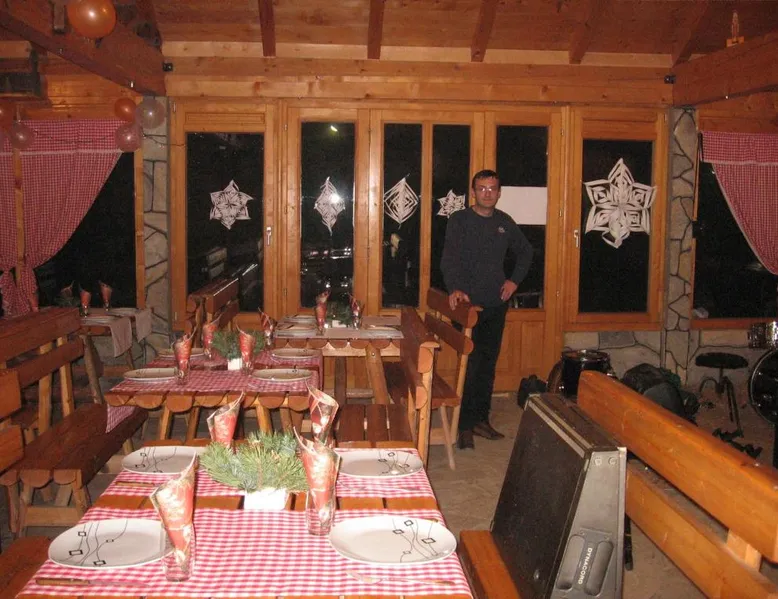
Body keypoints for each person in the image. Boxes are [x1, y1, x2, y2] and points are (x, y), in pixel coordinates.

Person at [441, 169, 533, 450]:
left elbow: (526, 252)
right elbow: (448, 259)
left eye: (492, 188)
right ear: (473, 192)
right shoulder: (459, 220)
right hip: (466, 306)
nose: (488, 193)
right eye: (482, 188)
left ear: (499, 192)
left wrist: (514, 281)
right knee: (471, 365)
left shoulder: (504, 222)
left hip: (495, 304)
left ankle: (481, 419)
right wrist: (454, 288)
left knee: (487, 365)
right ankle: (464, 426)